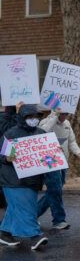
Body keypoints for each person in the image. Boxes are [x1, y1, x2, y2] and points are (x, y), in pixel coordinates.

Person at [0, 105, 50, 250]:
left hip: (32, 178)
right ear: (22, 117)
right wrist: (7, 158)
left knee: (17, 207)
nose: (33, 120)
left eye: (36, 116)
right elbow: (1, 155)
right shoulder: (11, 134)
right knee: (25, 207)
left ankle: (4, 232)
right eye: (30, 117)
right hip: (13, 179)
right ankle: (34, 236)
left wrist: (55, 150)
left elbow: (46, 154)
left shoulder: (41, 133)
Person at [37, 109, 80, 229]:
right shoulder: (46, 121)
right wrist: (54, 116)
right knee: (55, 189)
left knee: (54, 190)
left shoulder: (67, 124)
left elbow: (71, 141)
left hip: (63, 161)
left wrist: (78, 152)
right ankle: (59, 220)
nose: (64, 116)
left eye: (66, 114)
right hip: (49, 161)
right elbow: (42, 132)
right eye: (62, 114)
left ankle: (33, 214)